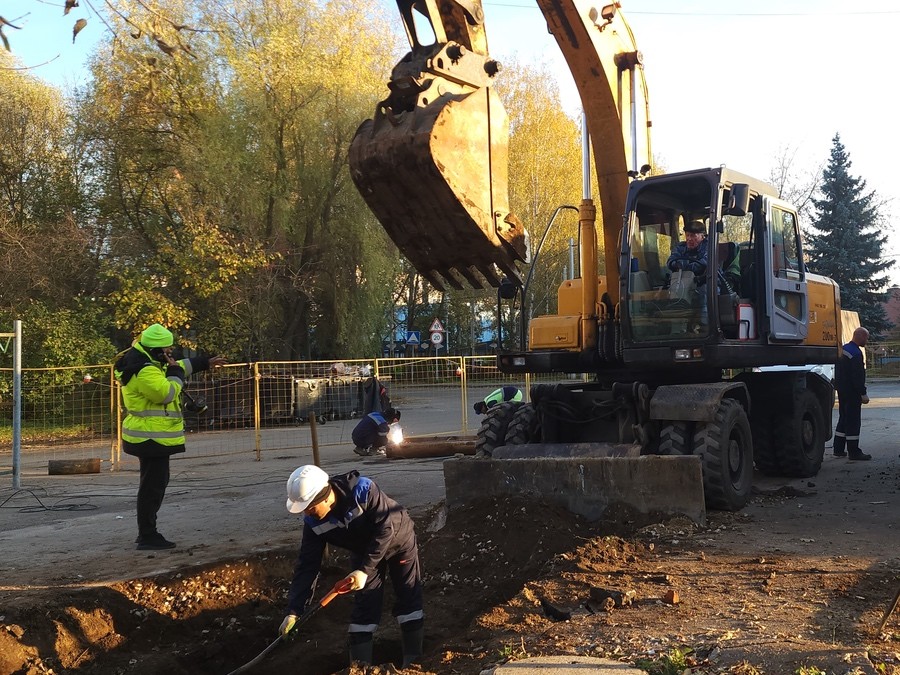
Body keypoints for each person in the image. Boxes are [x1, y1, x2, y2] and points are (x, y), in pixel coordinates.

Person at [281, 465, 424, 667]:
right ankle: (359, 667)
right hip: (363, 551)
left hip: (398, 541)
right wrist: (294, 611)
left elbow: (385, 530)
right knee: (365, 605)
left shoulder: (364, 491)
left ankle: (413, 661)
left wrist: (364, 570)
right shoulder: (313, 523)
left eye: (310, 508)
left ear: (325, 496)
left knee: (407, 595)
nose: (307, 514)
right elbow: (307, 564)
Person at [114, 323, 227, 550]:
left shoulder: (146, 361)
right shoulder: (144, 369)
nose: (170, 354)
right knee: (152, 487)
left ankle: (147, 532)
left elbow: (174, 367)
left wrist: (203, 363)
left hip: (151, 437)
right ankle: (147, 536)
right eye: (167, 351)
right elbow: (166, 392)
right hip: (150, 437)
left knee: (155, 483)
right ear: (156, 351)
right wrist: (176, 375)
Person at [833, 326, 872, 461]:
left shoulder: (843, 350)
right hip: (852, 392)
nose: (867, 340)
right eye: (866, 337)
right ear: (860, 336)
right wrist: (863, 393)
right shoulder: (855, 353)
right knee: (853, 421)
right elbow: (857, 376)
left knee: (843, 418)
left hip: (842, 391)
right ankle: (854, 452)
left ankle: (838, 449)